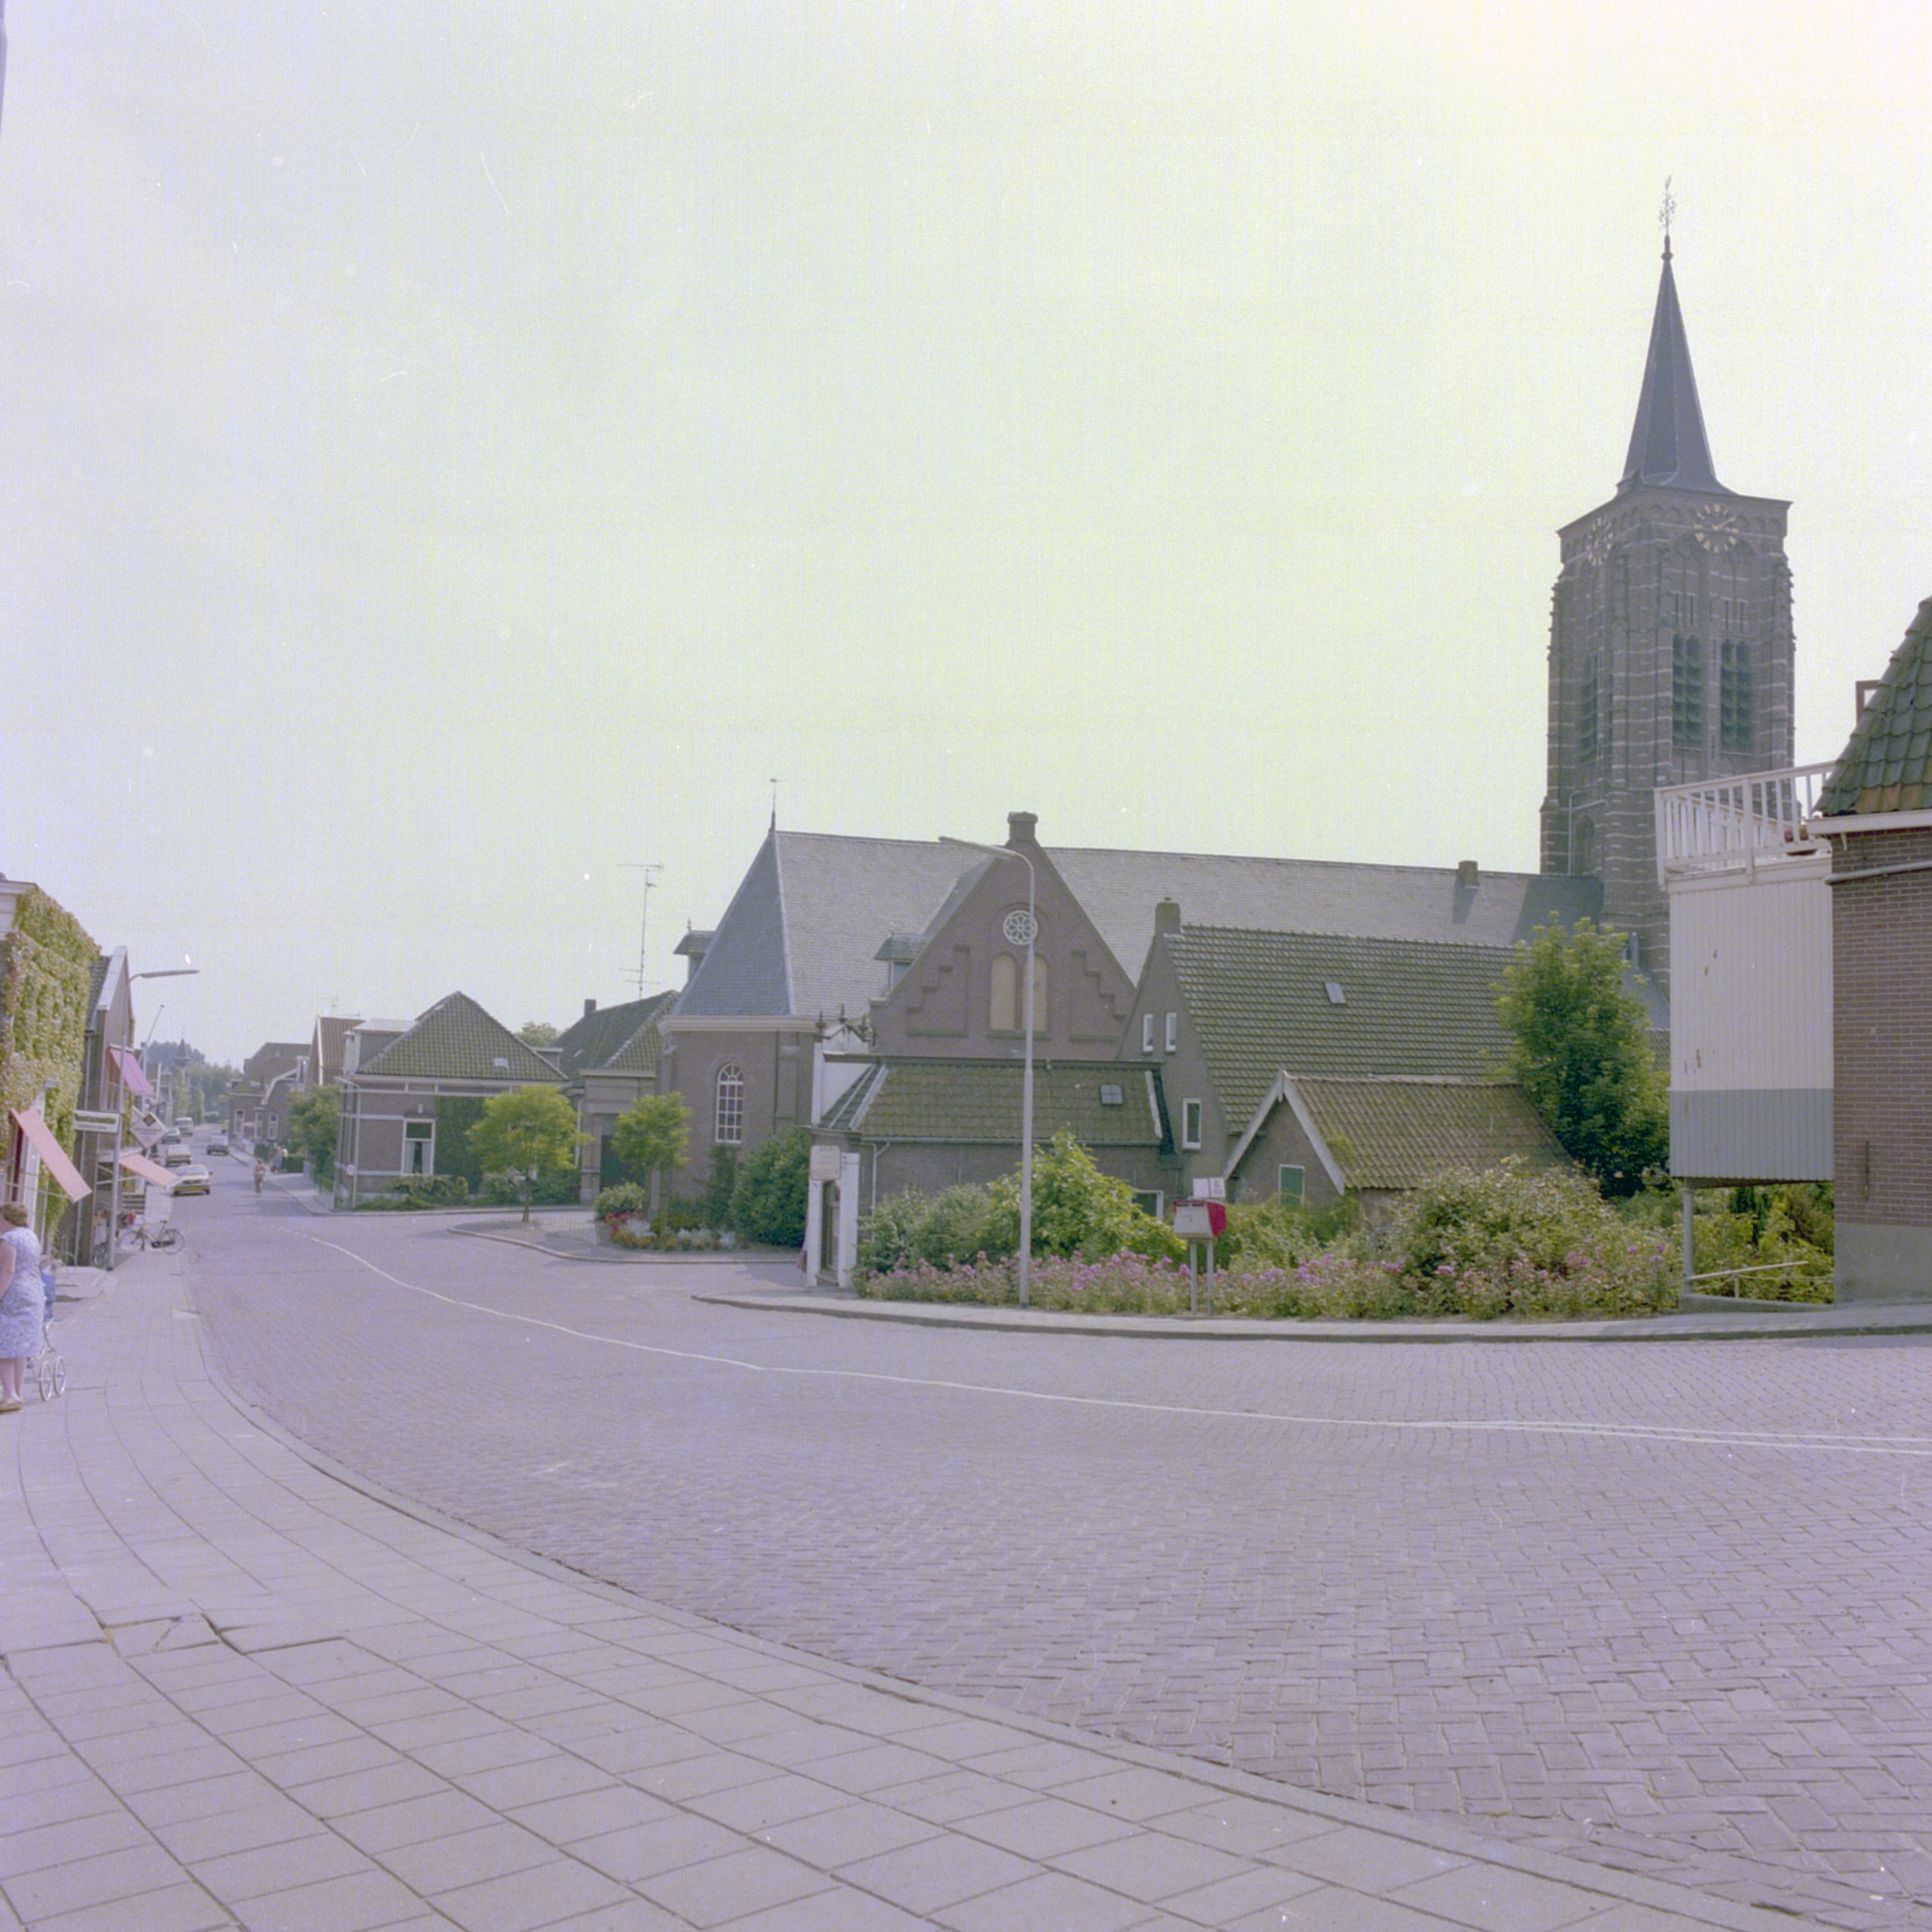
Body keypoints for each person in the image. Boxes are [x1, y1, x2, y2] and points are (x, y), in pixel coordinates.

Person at [0, 1202, 44, 1413]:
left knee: (4, 1345)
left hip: (14, 1295)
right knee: (20, 1347)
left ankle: (9, 1395)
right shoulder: (30, 1236)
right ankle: (18, 1393)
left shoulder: (9, 1239)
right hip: (33, 1291)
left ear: (6, 1218)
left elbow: (7, 1271)